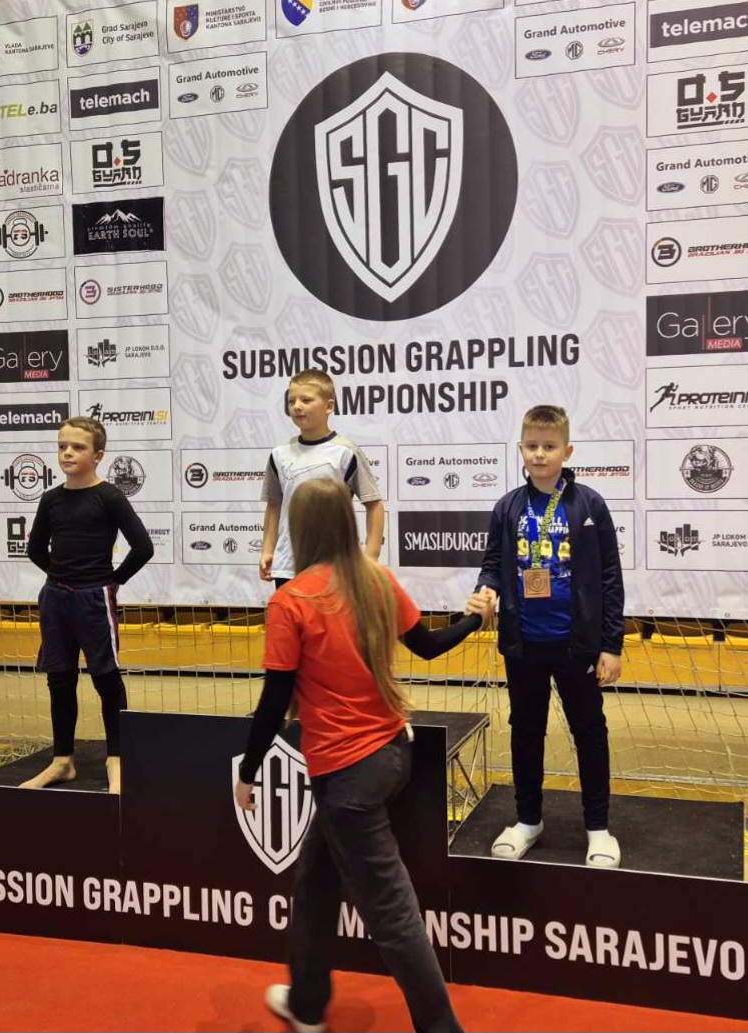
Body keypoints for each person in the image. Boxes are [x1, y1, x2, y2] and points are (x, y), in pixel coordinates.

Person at [235, 478, 494, 1033]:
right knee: (315, 883)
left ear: (299, 529)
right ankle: (307, 1004)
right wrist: (475, 618)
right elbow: (429, 646)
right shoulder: (376, 580)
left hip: (346, 778)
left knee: (393, 916)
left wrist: (248, 772)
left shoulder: (292, 601)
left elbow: (274, 701)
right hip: (392, 755)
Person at [466, 405, 624, 868]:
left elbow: (610, 578)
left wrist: (611, 644)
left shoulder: (590, 505)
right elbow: (493, 565)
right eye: (532, 446)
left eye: (549, 446)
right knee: (526, 731)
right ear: (520, 449)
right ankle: (528, 819)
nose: (540, 454)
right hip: (524, 644)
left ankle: (598, 828)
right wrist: (486, 591)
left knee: (589, 732)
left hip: (577, 645)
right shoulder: (507, 507)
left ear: (567, 451)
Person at [21, 417, 153, 794]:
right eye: (62, 446)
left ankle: (117, 758)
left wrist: (111, 582)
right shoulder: (51, 499)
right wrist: (60, 577)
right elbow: (35, 549)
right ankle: (62, 760)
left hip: (94, 598)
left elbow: (143, 547)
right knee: (59, 679)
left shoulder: (109, 497)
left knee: (106, 678)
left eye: (77, 447)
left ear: (98, 455)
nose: (67, 453)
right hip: (55, 598)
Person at [259, 369, 384, 587]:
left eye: (306, 400)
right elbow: (274, 505)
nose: (297, 406)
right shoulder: (279, 454)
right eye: (291, 401)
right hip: (288, 567)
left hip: (337, 568)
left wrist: (371, 559)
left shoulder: (346, 452)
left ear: (329, 406)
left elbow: (374, 504)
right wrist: (267, 550)